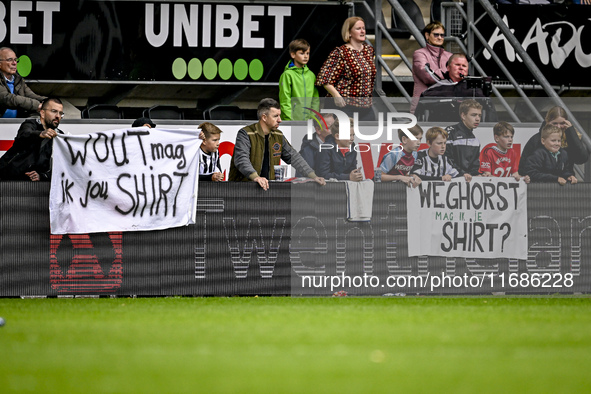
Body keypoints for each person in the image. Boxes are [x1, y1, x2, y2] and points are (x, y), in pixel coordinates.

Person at [228, 98, 326, 190]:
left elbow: (294, 157)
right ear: (264, 117)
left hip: (266, 188)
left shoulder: (278, 135)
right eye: (275, 116)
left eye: (279, 116)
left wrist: (313, 176)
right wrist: (256, 177)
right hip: (242, 189)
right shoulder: (245, 133)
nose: (280, 120)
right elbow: (241, 160)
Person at [316, 16, 376, 121]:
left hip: (366, 106)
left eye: (363, 28)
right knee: (345, 136)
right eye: (358, 28)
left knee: (370, 132)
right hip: (345, 105)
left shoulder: (369, 50)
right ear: (349, 32)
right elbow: (323, 78)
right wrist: (336, 96)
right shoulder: (340, 52)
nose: (362, 31)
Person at [0, 97, 64, 181]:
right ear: (42, 113)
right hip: (8, 179)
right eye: (54, 111)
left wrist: (43, 176)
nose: (58, 116)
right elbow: (24, 135)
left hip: (33, 186)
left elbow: (62, 166)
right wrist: (40, 134)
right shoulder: (30, 124)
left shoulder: (59, 135)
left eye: (61, 113)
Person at [518, 106, 589, 176]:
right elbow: (523, 168)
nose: (558, 126)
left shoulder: (570, 136)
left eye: (562, 123)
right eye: (555, 123)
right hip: (541, 183)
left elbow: (581, 159)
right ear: (547, 122)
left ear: (567, 123)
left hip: (565, 183)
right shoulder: (536, 140)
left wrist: (571, 131)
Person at [410, 21, 452, 113]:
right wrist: (449, 73)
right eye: (436, 35)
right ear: (427, 35)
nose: (440, 38)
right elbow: (428, 77)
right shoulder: (419, 54)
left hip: (446, 104)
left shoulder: (449, 56)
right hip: (423, 105)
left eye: (442, 35)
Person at [278, 39, 320, 121]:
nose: (306, 56)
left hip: (309, 122)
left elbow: (315, 99)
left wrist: (313, 118)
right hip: (291, 121)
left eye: (307, 53)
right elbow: (285, 100)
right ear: (293, 55)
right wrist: (289, 120)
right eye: (302, 53)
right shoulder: (287, 75)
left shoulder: (311, 75)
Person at [0, 47, 47, 118]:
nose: (14, 63)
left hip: (15, 124)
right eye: (10, 60)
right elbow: (8, 98)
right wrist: (37, 105)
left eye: (15, 60)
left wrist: (50, 102)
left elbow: (32, 96)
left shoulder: (18, 80)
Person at [444, 99, 482, 176]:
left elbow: (474, 167)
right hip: (451, 178)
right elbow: (445, 159)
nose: (478, 119)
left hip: (466, 179)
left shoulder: (475, 140)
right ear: (463, 116)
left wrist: (477, 174)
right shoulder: (450, 132)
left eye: (479, 115)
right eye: (474, 115)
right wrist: (462, 173)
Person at [296, 112, 336, 177]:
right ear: (318, 130)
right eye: (329, 128)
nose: (334, 131)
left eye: (335, 127)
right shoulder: (307, 151)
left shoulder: (340, 144)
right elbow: (302, 180)